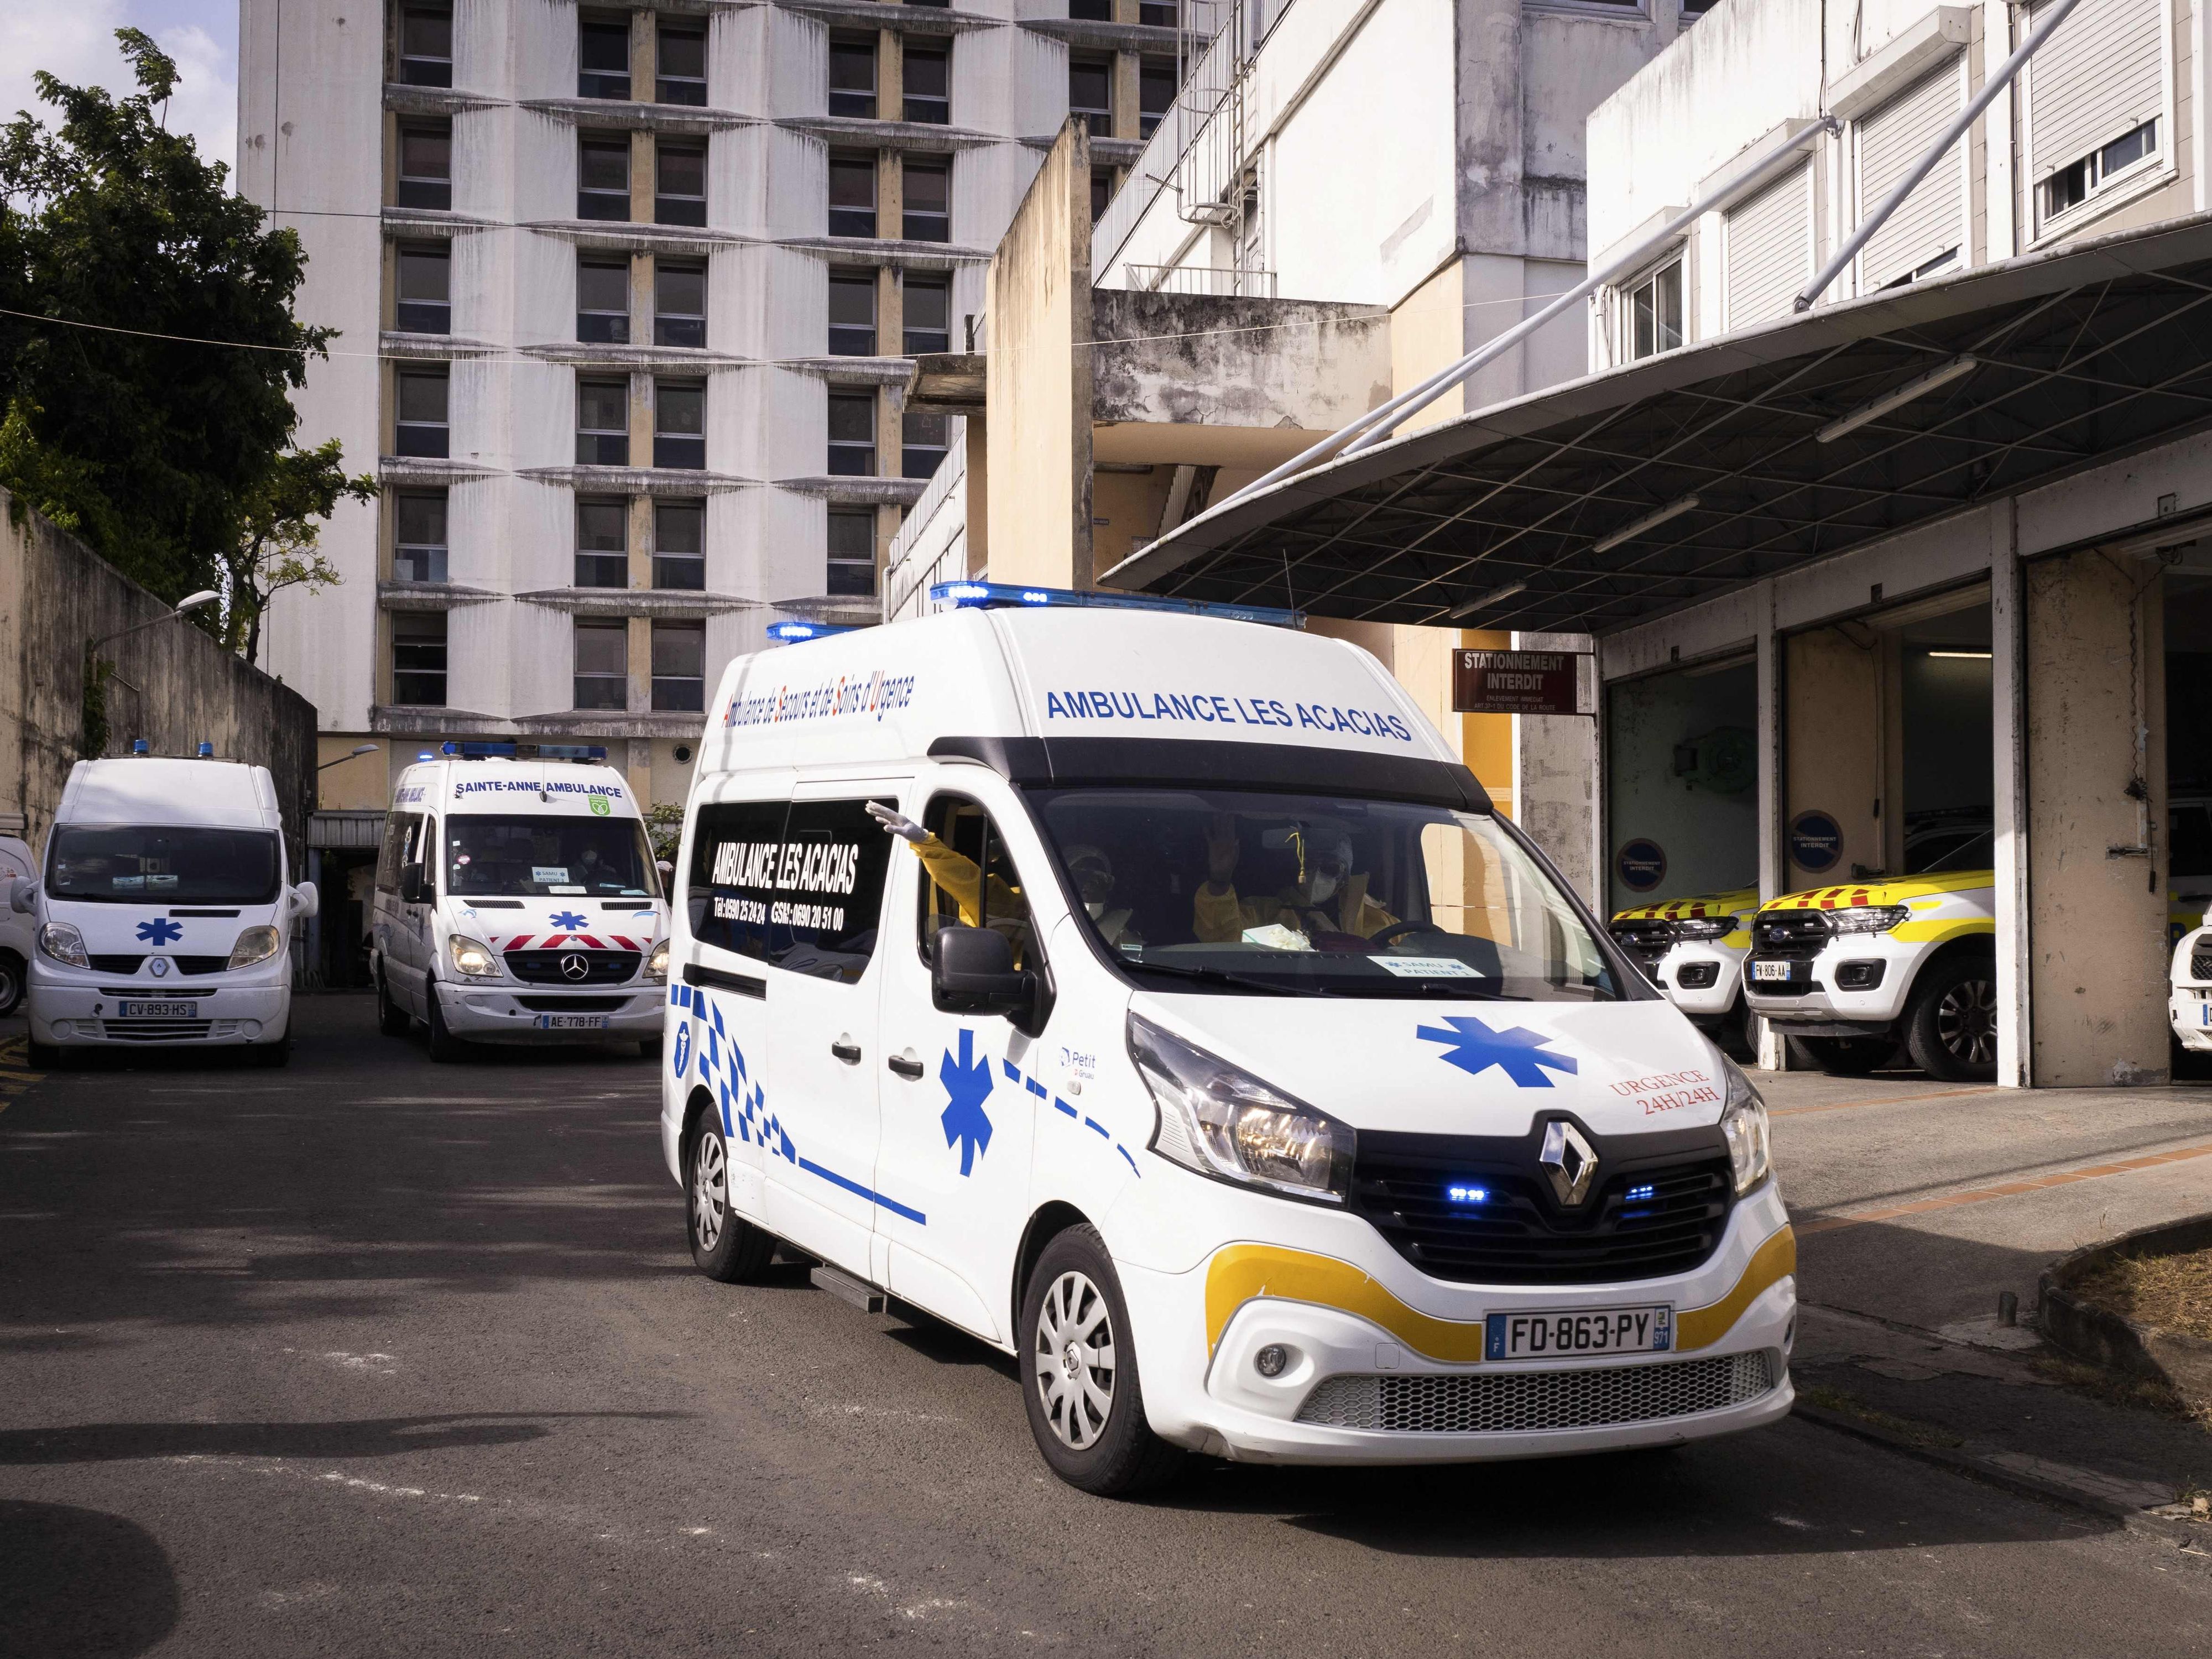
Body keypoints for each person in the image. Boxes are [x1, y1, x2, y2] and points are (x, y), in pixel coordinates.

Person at [867, 802, 1034, 961]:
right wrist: (926, 843)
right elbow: (968, 883)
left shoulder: (1031, 906)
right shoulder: (1015, 905)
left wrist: (925, 843)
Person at [1193, 815, 1396, 945]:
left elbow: (1417, 948)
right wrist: (1220, 879)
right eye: (1307, 865)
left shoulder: (1377, 920)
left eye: (1329, 867)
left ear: (1344, 878)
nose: (1315, 874)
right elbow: (1221, 938)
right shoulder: (1263, 912)